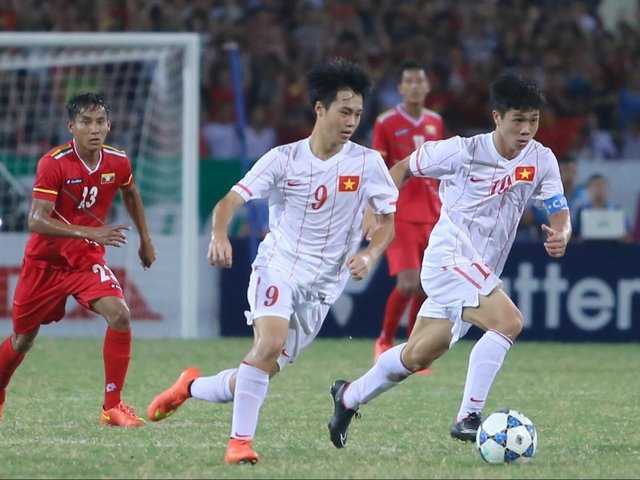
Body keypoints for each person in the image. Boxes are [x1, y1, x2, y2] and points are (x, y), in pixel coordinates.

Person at [146, 58, 398, 464]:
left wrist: (370, 255)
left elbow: (387, 223)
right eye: (344, 111)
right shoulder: (283, 159)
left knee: (258, 370)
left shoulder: (368, 163)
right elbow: (230, 201)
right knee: (269, 344)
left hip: (322, 289)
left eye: (357, 113)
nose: (352, 121)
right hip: (279, 266)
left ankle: (189, 386)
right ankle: (239, 444)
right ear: (320, 109)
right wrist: (219, 234)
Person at [326, 73, 572, 449]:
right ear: (497, 117)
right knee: (508, 322)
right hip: (449, 258)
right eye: (518, 120)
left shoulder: (541, 159)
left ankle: (348, 396)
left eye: (533, 120)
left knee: (419, 354)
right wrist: (377, 209)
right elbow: (403, 168)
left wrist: (562, 233)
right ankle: (468, 417)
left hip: (480, 270)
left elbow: (558, 207)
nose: (526, 130)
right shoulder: (463, 151)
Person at [0, 93, 156, 426]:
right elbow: (35, 220)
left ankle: (112, 406)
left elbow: (130, 192)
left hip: (85, 260)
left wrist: (145, 239)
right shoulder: (53, 163)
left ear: (109, 125)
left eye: (100, 122)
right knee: (23, 339)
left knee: (120, 315)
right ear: (71, 126)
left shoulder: (118, 161)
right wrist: (90, 232)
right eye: (86, 122)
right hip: (45, 263)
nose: (94, 129)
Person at [371, 60, 443, 364]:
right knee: (408, 283)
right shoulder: (386, 122)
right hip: (400, 212)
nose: (414, 87)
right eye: (409, 81)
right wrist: (375, 207)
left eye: (419, 81)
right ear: (400, 88)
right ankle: (385, 340)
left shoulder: (435, 122)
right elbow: (378, 167)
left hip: (434, 212)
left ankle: (412, 349)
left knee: (427, 285)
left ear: (427, 86)